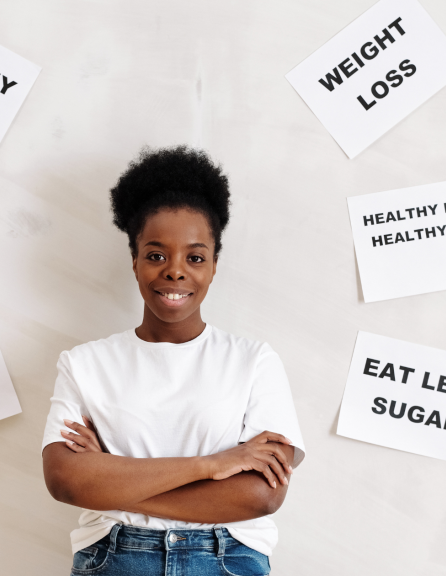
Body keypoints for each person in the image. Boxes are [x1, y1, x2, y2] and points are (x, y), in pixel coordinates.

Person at [41, 146, 305, 576]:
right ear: (135, 261)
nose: (175, 271)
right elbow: (66, 480)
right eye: (156, 254)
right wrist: (213, 465)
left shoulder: (254, 361)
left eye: (195, 257)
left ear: (214, 265)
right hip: (115, 557)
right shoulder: (85, 364)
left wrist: (109, 483)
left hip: (228, 559)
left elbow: (260, 495)